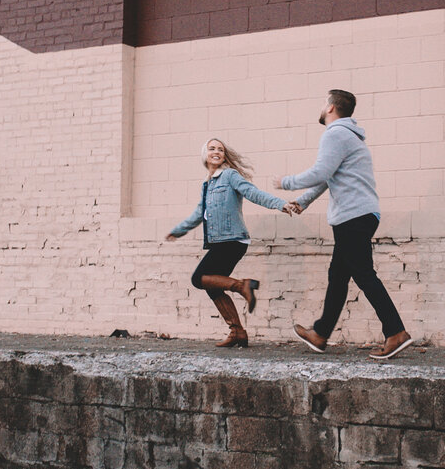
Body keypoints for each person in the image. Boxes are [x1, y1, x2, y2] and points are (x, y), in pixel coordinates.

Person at [275, 89, 414, 360]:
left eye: (322, 102)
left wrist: (286, 182)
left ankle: (396, 332)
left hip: (353, 216)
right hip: (358, 215)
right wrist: (303, 201)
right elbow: (328, 178)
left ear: (330, 107)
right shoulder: (348, 137)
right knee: (338, 276)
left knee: (363, 274)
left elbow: (320, 172)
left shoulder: (335, 134)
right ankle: (321, 333)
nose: (321, 106)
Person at [167, 138, 294, 347]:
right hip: (220, 242)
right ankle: (238, 332)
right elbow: (199, 214)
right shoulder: (207, 184)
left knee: (199, 278)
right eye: (212, 148)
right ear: (205, 154)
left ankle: (242, 286)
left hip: (233, 240)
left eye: (220, 149)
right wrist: (178, 231)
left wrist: (280, 204)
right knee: (213, 286)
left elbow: (253, 193)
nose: (216, 152)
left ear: (224, 156)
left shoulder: (230, 176)